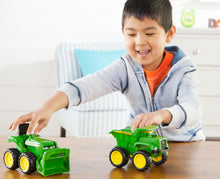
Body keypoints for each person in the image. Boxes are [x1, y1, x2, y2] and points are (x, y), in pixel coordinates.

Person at [9, 0, 205, 141]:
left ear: (169, 33)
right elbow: (87, 86)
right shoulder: (125, 67)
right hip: (141, 145)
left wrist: (163, 114)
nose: (139, 41)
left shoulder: (184, 70)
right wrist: (48, 107)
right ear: (123, 33)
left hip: (185, 145)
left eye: (149, 33)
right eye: (131, 33)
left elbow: (193, 110)